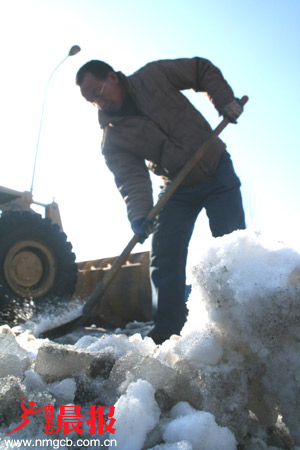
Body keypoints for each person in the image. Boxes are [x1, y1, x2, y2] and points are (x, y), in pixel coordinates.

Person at [76, 57, 246, 344]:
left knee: (232, 247)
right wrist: (140, 214)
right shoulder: (113, 139)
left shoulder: (153, 76)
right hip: (176, 186)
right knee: (164, 254)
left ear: (113, 77)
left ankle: (240, 318)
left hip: (215, 166)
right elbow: (132, 179)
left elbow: (199, 70)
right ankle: (168, 331)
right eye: (90, 99)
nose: (98, 102)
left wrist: (225, 101)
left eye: (98, 91)